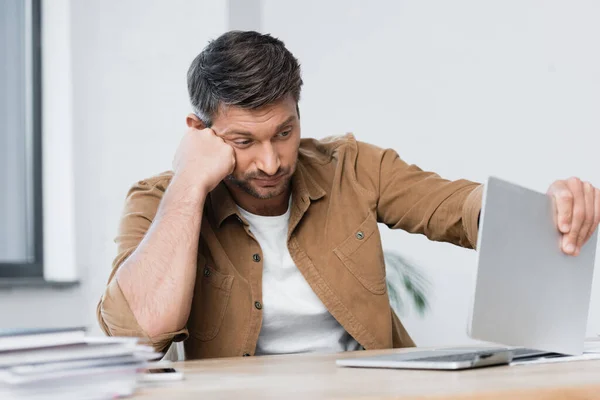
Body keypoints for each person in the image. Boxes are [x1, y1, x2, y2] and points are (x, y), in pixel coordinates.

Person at [97, 31, 600, 359]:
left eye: (284, 132)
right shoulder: (158, 199)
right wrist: (189, 182)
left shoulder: (351, 166)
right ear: (198, 131)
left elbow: (459, 209)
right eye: (243, 141)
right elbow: (135, 334)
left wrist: (547, 204)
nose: (270, 162)